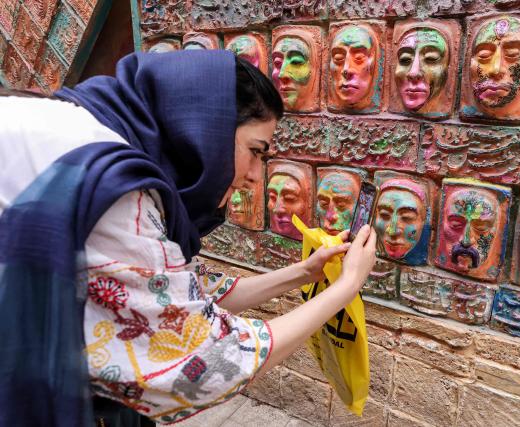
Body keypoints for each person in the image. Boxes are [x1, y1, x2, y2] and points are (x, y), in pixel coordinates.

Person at [0, 50, 377, 426]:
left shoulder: (91, 124)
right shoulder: (118, 191)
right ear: (204, 128)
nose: (256, 177)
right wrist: (346, 287)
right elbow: (207, 362)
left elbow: (185, 291)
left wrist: (304, 273)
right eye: (255, 152)